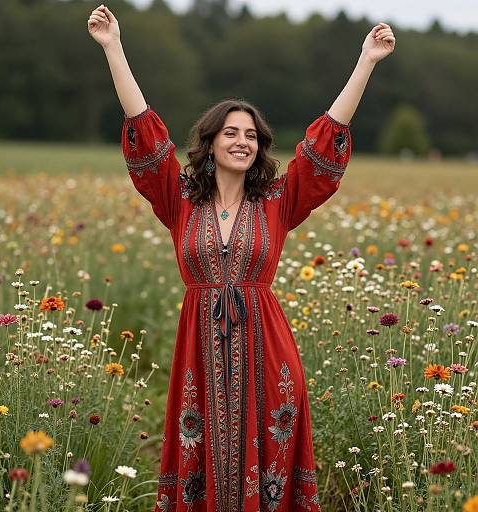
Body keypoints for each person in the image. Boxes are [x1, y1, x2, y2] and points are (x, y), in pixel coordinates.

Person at [88, 5, 395, 511]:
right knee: (201, 460)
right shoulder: (179, 198)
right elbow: (144, 131)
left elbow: (323, 148)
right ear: (209, 144)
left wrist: (365, 61)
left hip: (266, 350)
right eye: (231, 133)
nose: (242, 141)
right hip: (200, 352)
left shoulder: (278, 201)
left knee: (269, 464)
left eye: (251, 135)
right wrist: (114, 48)